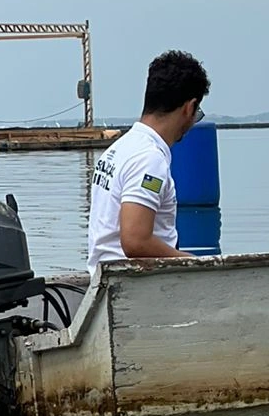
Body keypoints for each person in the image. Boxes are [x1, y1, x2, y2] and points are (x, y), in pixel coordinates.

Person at [87, 50, 210, 268]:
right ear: (189, 108)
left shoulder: (119, 149)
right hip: (135, 284)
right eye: (196, 113)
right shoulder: (149, 159)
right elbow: (135, 242)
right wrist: (196, 264)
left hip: (106, 276)